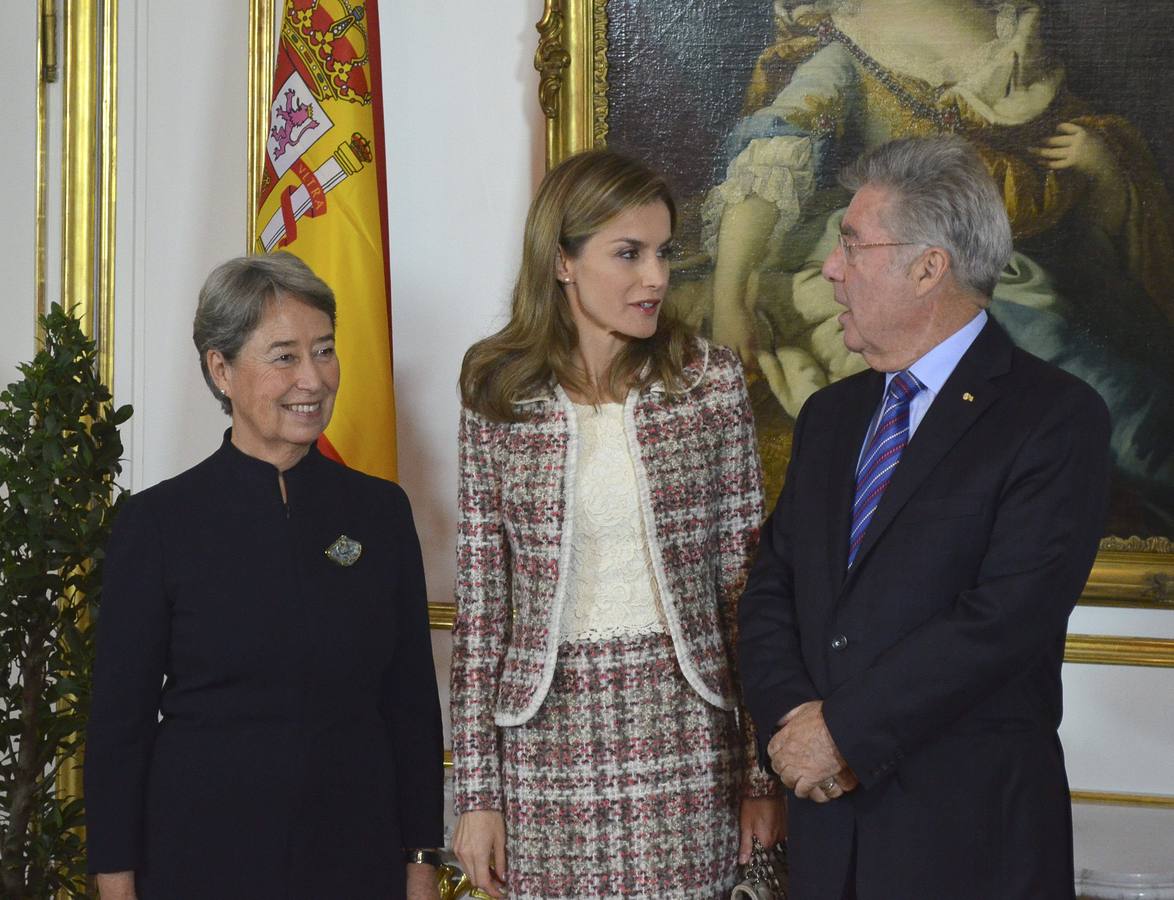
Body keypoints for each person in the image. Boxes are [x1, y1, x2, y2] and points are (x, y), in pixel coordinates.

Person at [737, 136, 1111, 899]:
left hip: (968, 843)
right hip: (825, 833)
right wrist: (792, 725)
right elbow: (772, 583)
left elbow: (1003, 619)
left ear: (928, 267)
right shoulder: (830, 416)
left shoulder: (1055, 419)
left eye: (850, 245)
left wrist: (840, 732)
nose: (831, 270)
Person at [449, 149, 785, 899]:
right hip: (542, 741)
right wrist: (476, 795)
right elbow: (483, 605)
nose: (657, 278)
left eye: (664, 253)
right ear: (562, 261)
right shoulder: (495, 388)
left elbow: (747, 586)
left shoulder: (708, 380)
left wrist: (762, 772)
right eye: (628, 254)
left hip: (688, 733)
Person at [702, 0, 1173, 529]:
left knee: (1128, 400)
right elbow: (774, 157)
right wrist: (730, 298)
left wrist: (1102, 165)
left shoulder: (1013, 36)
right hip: (940, 273)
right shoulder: (851, 47)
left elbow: (1083, 193)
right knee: (1098, 400)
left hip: (1043, 262)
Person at [85, 253, 443, 900]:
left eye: (325, 350)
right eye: (284, 356)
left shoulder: (381, 513)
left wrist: (420, 865)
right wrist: (115, 885)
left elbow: (412, 709)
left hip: (355, 864)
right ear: (220, 369)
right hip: (200, 862)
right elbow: (119, 729)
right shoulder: (157, 524)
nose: (314, 378)